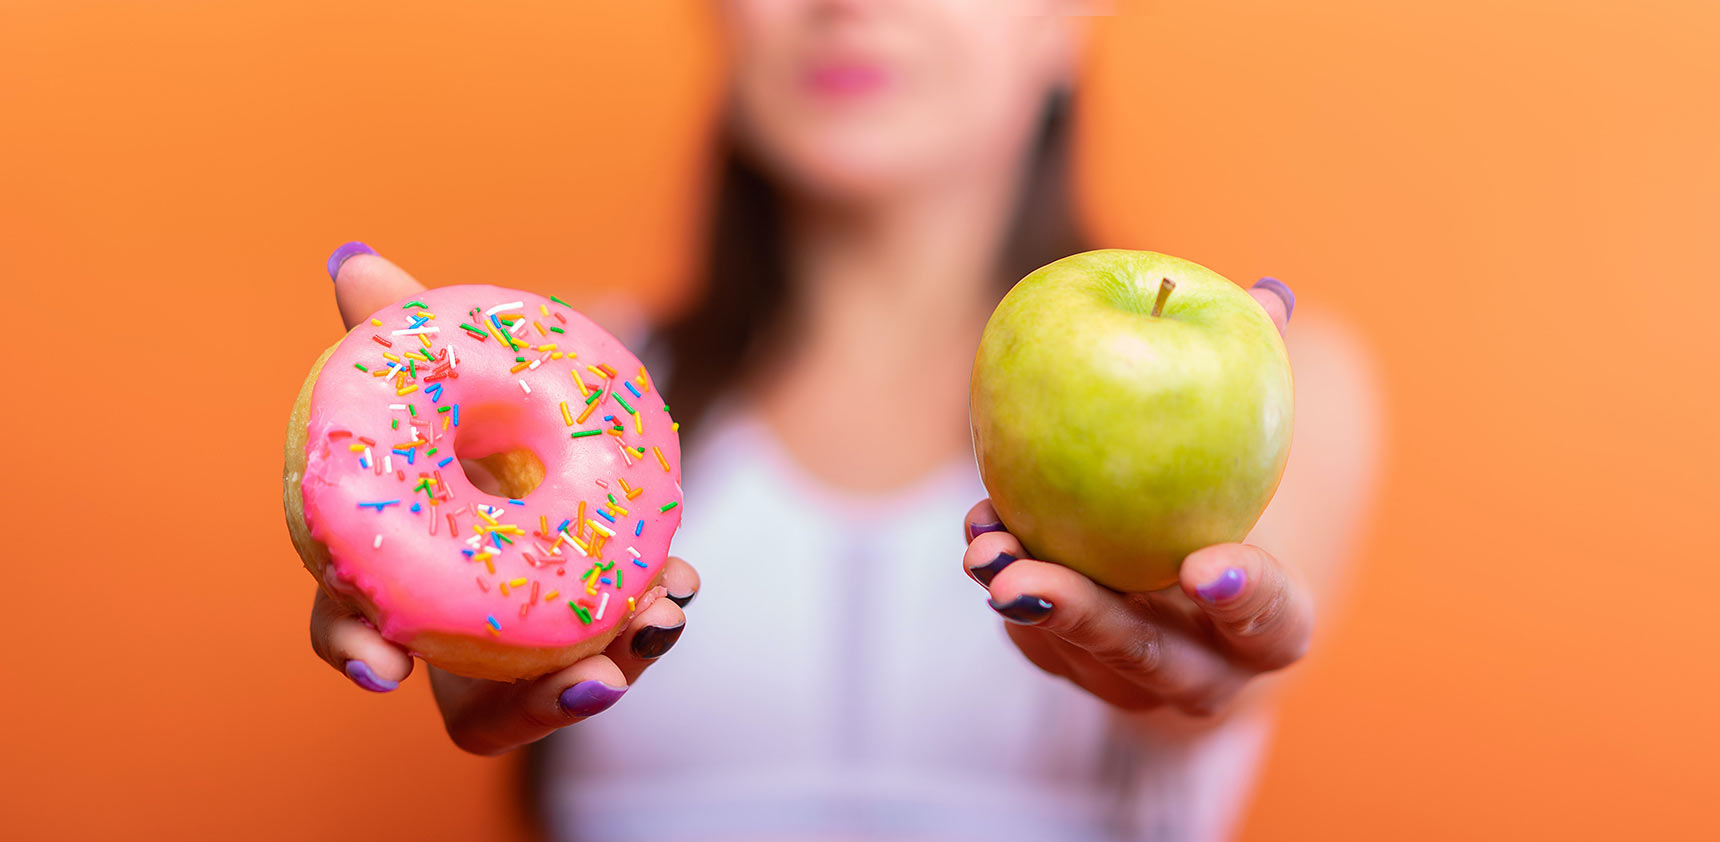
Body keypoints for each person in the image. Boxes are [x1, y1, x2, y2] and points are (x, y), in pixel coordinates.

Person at [307, 2, 1379, 840]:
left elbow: (1211, 683)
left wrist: (1176, 668)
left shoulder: (1286, 382)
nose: (846, 0)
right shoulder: (577, 380)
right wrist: (439, 571)